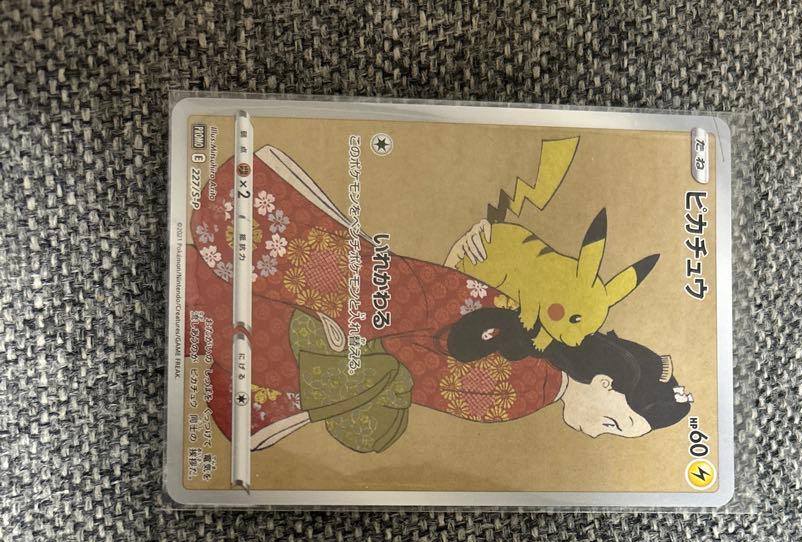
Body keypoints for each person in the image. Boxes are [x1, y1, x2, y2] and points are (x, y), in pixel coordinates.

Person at [185, 148, 693, 454]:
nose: (598, 435)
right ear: (605, 382)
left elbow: (443, 325)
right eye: (614, 423)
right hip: (366, 322)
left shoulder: (531, 349)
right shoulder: (526, 388)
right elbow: (415, 364)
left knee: (241, 279)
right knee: (234, 302)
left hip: (386, 299)